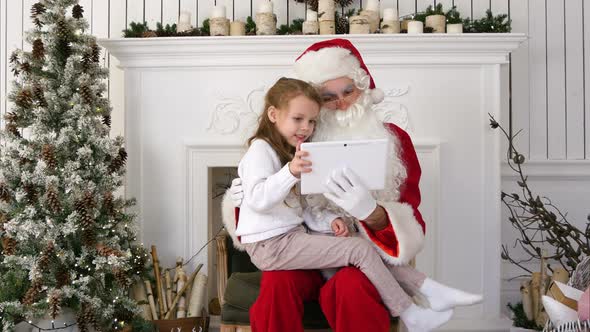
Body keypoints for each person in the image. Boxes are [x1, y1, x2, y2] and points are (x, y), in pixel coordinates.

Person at [224, 39, 482, 332]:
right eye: (328, 97)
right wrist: (237, 200)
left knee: (350, 286)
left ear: (365, 89)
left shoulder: (394, 141)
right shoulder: (296, 139)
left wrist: (372, 213)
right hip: (304, 247)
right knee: (277, 283)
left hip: (358, 253)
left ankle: (423, 297)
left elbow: (412, 217)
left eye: (349, 91)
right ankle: (423, 299)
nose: (342, 103)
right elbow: (270, 211)